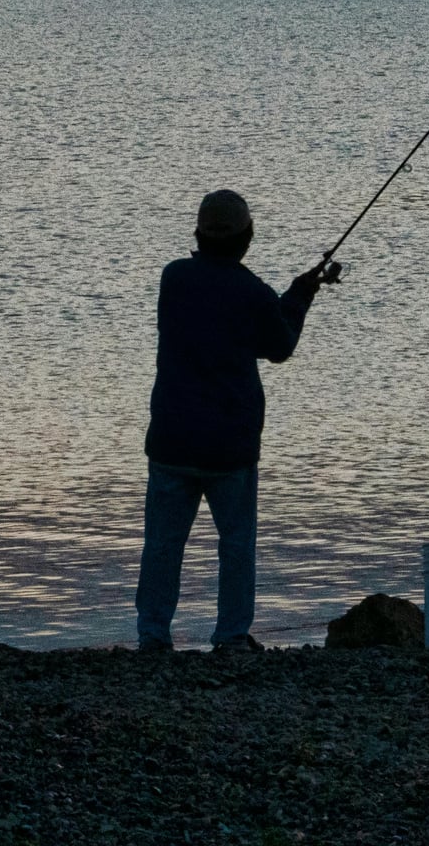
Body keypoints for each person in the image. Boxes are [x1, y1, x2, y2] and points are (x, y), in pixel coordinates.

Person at [135, 188, 332, 651]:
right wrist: (301, 295)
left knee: (163, 544)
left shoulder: (174, 279)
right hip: (230, 446)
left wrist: (288, 297)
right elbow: (279, 345)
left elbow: (226, 318)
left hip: (172, 439)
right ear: (248, 238)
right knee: (236, 545)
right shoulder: (253, 293)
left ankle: (153, 635)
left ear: (198, 235)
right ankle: (231, 636)